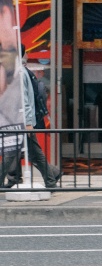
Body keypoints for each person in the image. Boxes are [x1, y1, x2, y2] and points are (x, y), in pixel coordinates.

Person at [2, 47, 59, 189]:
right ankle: (51, 181)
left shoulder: (19, 73)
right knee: (34, 154)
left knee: (12, 154)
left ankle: (51, 181)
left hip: (19, 122)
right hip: (16, 121)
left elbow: (24, 100)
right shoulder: (14, 72)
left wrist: (27, 123)